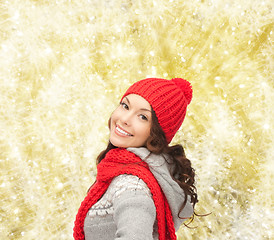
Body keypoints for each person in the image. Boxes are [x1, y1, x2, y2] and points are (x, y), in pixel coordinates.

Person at [73, 78, 198, 240]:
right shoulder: (129, 170)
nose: (125, 119)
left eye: (143, 117)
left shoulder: (132, 186)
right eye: (125, 106)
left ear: (157, 135)